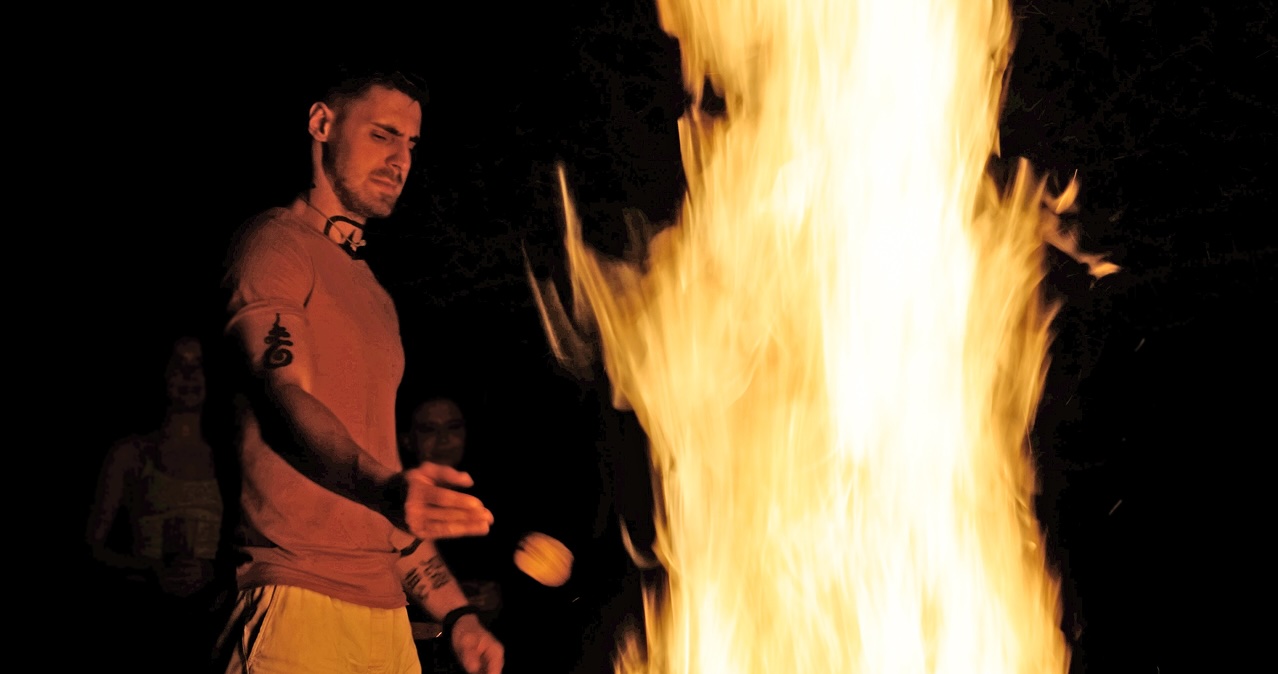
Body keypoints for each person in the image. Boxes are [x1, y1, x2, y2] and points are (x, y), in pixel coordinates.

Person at [213, 65, 504, 674]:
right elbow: (282, 396)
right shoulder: (275, 245)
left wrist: (457, 615)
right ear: (322, 123)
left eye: (412, 144)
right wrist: (387, 488)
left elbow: (382, 480)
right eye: (382, 135)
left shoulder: (373, 292)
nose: (401, 159)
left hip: (388, 617)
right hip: (294, 600)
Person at [85, 335, 229, 670]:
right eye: (179, 365)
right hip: (145, 621)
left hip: (210, 625)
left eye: (198, 366)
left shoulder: (227, 458)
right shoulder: (131, 454)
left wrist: (213, 573)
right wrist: (150, 569)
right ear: (162, 373)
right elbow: (91, 546)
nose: (189, 375)